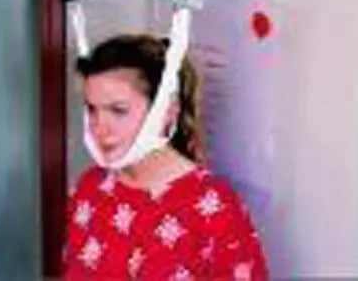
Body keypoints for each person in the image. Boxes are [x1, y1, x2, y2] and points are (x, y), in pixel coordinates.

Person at [65, 33, 270, 280]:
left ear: (167, 112)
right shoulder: (90, 188)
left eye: (118, 110)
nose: (99, 127)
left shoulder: (214, 208)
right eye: (92, 109)